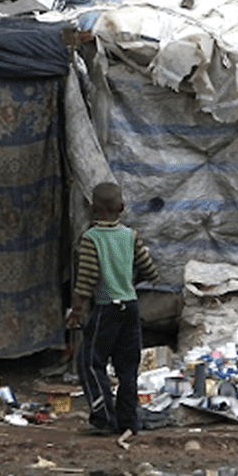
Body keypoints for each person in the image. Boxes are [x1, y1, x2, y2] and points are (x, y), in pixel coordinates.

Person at [66, 182, 161, 436]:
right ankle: (129, 420)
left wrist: (76, 311)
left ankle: (103, 417)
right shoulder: (131, 236)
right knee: (128, 366)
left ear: (93, 208)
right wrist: (127, 280)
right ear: (121, 207)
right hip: (129, 307)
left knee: (90, 362)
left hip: (107, 308)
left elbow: (85, 280)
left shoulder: (91, 239)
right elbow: (151, 271)